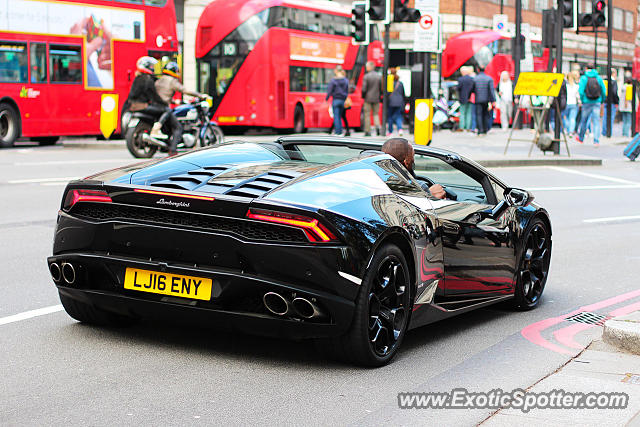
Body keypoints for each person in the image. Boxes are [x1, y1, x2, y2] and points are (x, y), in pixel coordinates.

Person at [152, 61, 207, 155]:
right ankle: (173, 150)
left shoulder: (159, 80)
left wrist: (174, 101)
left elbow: (162, 95)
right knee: (178, 128)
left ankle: (168, 144)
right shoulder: (172, 81)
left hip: (156, 107)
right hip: (165, 109)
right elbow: (185, 90)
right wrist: (200, 95)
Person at [381, 138, 446, 199]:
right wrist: (430, 194)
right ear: (406, 161)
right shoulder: (419, 188)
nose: (413, 160)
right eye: (412, 155)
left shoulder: (376, 181)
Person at [577, 64, 606, 146]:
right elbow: (603, 90)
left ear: (586, 68)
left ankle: (581, 138)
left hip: (586, 102)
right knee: (596, 121)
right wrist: (602, 100)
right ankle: (596, 141)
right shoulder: (598, 78)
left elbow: (581, 91)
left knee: (584, 120)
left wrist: (583, 100)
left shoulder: (584, 78)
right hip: (597, 101)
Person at [325, 66, 349, 135]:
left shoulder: (333, 80)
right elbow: (347, 90)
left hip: (335, 100)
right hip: (342, 101)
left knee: (336, 116)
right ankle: (340, 131)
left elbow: (329, 90)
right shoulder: (345, 80)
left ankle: (338, 132)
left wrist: (327, 98)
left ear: (336, 71)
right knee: (340, 116)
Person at [361, 61, 382, 136]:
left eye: (367, 67)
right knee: (376, 114)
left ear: (370, 67)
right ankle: (377, 128)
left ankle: (368, 131)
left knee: (367, 115)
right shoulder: (378, 76)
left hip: (368, 98)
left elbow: (364, 89)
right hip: (376, 98)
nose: (366, 68)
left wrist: (363, 96)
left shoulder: (366, 76)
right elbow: (381, 88)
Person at [472, 66, 495, 135]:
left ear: (478, 70)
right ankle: (485, 129)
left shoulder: (475, 79)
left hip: (478, 99)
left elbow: (472, 89)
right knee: (486, 115)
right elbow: (491, 90)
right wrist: (493, 100)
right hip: (486, 100)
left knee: (479, 115)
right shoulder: (489, 78)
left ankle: (480, 130)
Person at [602, 68, 619, 137]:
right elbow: (615, 93)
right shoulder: (614, 82)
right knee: (611, 118)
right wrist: (616, 102)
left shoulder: (604, 81)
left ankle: (604, 132)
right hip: (612, 102)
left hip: (605, 101)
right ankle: (608, 132)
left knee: (604, 117)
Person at [457, 66, 475, 131]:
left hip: (463, 98)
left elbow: (458, 88)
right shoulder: (471, 79)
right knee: (469, 113)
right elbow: (473, 89)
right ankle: (468, 127)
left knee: (462, 113)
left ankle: (462, 127)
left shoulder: (460, 79)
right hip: (470, 98)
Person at [563, 71, 580, 136]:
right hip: (574, 103)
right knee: (572, 118)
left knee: (566, 118)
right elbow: (578, 96)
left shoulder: (566, 86)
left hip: (567, 103)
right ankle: (571, 131)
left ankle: (567, 130)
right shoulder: (576, 86)